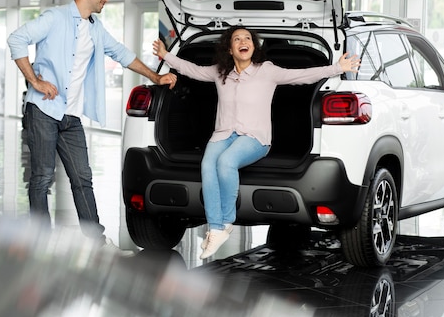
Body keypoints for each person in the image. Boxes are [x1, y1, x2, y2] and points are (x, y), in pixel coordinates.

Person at [153, 26, 360, 259]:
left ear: (253, 46)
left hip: (255, 138)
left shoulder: (266, 71)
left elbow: (301, 75)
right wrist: (165, 55)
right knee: (207, 165)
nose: (244, 41)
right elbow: (192, 69)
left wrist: (336, 68)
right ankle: (216, 228)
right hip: (222, 134)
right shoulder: (221, 72)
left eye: (248, 38)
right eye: (237, 39)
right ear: (229, 49)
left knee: (226, 162)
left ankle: (226, 222)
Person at [7, 0, 177, 249]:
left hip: (70, 116)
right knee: (42, 177)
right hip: (43, 111)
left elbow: (122, 54)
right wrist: (35, 81)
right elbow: (16, 39)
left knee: (82, 177)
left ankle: (95, 241)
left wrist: (156, 78)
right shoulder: (55, 18)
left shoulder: (95, 27)